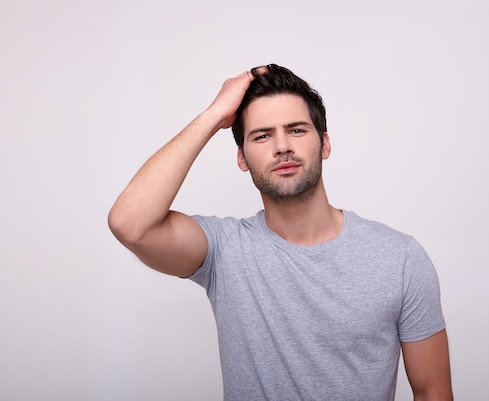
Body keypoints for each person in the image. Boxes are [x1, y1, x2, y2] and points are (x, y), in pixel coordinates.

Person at [108, 64, 453, 401]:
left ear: (325, 144)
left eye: (297, 130)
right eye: (262, 135)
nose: (282, 146)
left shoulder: (400, 258)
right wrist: (214, 115)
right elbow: (130, 224)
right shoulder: (224, 250)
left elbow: (432, 392)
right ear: (242, 157)